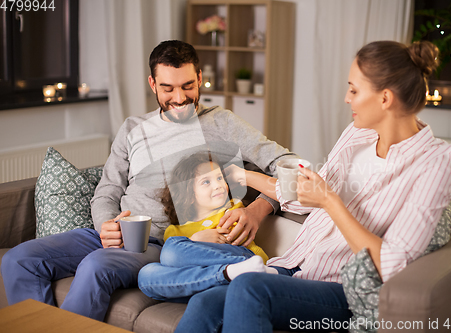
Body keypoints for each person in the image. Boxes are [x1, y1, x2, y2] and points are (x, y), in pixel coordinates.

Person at [174, 40, 451, 333]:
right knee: (204, 303)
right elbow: (303, 197)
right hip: (293, 267)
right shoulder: (357, 135)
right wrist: (242, 176)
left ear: (385, 98)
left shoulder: (436, 160)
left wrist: (331, 203)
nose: (347, 98)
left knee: (250, 288)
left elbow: (392, 264)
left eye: (354, 89)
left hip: (340, 291)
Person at [0, 40, 295, 321]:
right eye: (167, 88)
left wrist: (258, 209)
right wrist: (106, 225)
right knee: (18, 259)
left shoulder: (223, 123)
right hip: (113, 233)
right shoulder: (132, 128)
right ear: (152, 84)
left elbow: (288, 166)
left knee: (95, 266)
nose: (179, 98)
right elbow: (108, 189)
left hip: (161, 241)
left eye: (188, 86)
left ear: (200, 78)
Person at [138, 151, 277, 300]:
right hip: (204, 283)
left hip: (243, 260)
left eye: (219, 178)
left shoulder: (233, 210)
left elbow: (280, 190)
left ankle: (247, 269)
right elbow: (175, 265)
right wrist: (194, 240)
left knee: (171, 249)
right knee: (146, 274)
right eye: (206, 182)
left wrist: (241, 175)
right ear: (189, 195)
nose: (218, 185)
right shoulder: (175, 231)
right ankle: (228, 273)